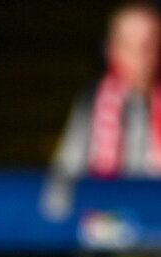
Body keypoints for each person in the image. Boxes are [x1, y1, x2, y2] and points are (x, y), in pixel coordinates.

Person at [52, 3, 161, 179]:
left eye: (149, 45)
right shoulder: (91, 101)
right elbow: (66, 171)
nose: (140, 56)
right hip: (107, 204)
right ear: (111, 49)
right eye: (129, 45)